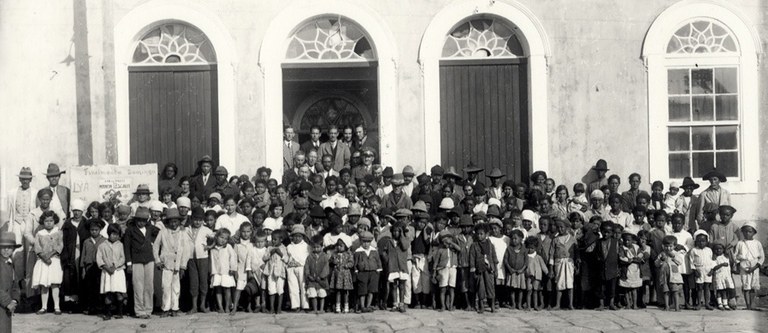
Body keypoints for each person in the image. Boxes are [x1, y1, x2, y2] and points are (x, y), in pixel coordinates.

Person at [123, 207, 160, 319]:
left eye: (144, 220)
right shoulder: (130, 230)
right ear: (135, 219)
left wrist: (152, 242)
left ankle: (148, 309)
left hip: (149, 259)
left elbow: (160, 232)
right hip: (136, 260)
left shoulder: (150, 228)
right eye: (139, 220)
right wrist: (129, 263)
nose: (141, 222)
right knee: (138, 286)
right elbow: (126, 247)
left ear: (147, 220)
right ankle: (139, 311)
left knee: (149, 286)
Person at [153, 209, 188, 317]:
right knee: (165, 287)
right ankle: (165, 308)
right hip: (166, 264)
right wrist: (158, 261)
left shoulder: (183, 233)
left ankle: (175, 308)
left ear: (179, 222)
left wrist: (183, 266)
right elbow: (155, 247)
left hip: (177, 264)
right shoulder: (163, 232)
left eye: (176, 221)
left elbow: (186, 250)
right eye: (171, 222)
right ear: (167, 222)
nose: (173, 224)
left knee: (176, 287)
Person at [32, 211, 63, 315]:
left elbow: (60, 245)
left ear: (55, 221)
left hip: (54, 261)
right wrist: (44, 257)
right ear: (43, 222)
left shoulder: (58, 232)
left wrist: (50, 255)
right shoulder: (39, 233)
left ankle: (57, 307)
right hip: (43, 261)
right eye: (46, 221)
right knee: (44, 284)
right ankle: (43, 307)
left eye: (51, 221)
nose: (49, 223)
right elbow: (37, 247)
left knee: (55, 284)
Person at [184, 207, 214, 313]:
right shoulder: (186, 229)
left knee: (203, 281)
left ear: (203, 220)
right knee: (193, 281)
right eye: (195, 219)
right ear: (191, 218)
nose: (197, 222)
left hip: (203, 258)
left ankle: (202, 305)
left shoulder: (206, 230)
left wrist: (209, 247)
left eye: (200, 220)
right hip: (191, 259)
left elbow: (216, 237)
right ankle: (194, 306)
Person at [97, 224, 127, 320]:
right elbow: (99, 259)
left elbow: (122, 258)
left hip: (118, 271)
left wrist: (115, 266)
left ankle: (120, 312)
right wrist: (106, 267)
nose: (115, 236)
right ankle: (108, 313)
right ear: (108, 234)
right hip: (106, 272)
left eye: (117, 234)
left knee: (118, 292)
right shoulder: (102, 245)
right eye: (113, 234)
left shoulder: (120, 245)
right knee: (108, 292)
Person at [379, 222, 409, 313]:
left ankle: (402, 304)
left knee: (402, 286)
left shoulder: (405, 240)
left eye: (398, 231)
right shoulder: (389, 241)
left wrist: (402, 236)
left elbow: (405, 247)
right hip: (393, 266)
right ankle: (395, 304)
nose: (396, 233)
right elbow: (384, 252)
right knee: (394, 285)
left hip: (402, 266)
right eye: (394, 231)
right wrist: (387, 259)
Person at [733, 221, 763, 310]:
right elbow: (735, 255)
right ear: (742, 232)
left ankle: (752, 304)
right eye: (745, 231)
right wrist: (740, 265)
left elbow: (762, 257)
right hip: (744, 266)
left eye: (750, 231)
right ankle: (748, 305)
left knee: (753, 286)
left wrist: (755, 267)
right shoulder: (740, 243)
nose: (747, 233)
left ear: (754, 232)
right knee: (746, 286)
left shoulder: (757, 243)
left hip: (754, 266)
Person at [470, 223, 497, 313]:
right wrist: (473, 269)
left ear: (486, 234)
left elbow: (494, 257)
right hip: (479, 269)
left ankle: (492, 306)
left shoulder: (490, 245)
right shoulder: (474, 245)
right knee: (480, 287)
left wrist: (495, 269)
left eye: (481, 234)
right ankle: (481, 306)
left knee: (490, 287)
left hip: (489, 269)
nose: (479, 236)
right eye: (478, 234)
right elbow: (472, 257)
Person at [353, 230, 381, 313]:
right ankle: (362, 306)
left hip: (373, 272)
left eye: (368, 242)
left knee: (371, 290)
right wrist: (356, 271)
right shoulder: (358, 251)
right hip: (362, 273)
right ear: (361, 241)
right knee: (362, 290)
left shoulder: (374, 251)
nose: (366, 244)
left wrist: (378, 270)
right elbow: (355, 263)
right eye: (364, 242)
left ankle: (368, 305)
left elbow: (378, 261)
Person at [210, 229, 236, 313]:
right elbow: (212, 261)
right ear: (216, 237)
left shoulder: (228, 247)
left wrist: (232, 268)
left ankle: (227, 306)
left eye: (225, 238)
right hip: (217, 272)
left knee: (227, 289)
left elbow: (233, 257)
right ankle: (220, 307)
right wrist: (212, 273)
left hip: (226, 271)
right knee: (218, 289)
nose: (223, 240)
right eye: (221, 237)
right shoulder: (213, 248)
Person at [655, 236, 684, 311]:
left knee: (675, 291)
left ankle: (676, 306)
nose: (668, 248)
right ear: (663, 246)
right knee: (666, 291)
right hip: (664, 276)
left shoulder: (676, 253)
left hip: (674, 276)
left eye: (670, 246)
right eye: (666, 246)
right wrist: (661, 260)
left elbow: (680, 262)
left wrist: (674, 257)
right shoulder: (662, 254)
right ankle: (667, 306)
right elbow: (656, 264)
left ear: (674, 246)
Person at [286, 225, 310, 312]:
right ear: (292, 236)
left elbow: (307, 257)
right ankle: (295, 305)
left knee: (303, 286)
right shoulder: (289, 246)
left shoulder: (306, 246)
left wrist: (299, 262)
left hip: (301, 268)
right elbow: (287, 257)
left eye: (299, 236)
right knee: (293, 287)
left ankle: (305, 305)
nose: (297, 238)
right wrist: (290, 262)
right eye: (295, 236)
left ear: (302, 237)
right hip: (291, 268)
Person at [0, 232, 21, 332]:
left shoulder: (10, 263)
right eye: (3, 247)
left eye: (9, 247)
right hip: (4, 303)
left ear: (13, 249)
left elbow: (15, 285)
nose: (6, 250)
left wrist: (14, 300)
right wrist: (8, 302)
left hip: (7, 308)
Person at [688, 230, 714, 310]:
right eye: (699, 241)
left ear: (707, 241)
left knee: (707, 288)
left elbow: (712, 261)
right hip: (699, 270)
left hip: (707, 270)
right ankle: (699, 303)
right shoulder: (694, 250)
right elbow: (691, 261)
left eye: (703, 241)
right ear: (696, 241)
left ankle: (707, 303)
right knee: (699, 288)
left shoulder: (709, 250)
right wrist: (695, 270)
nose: (701, 243)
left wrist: (712, 270)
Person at [596, 222, 619, 310]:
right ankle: (601, 304)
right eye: (604, 232)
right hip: (601, 268)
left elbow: (618, 255)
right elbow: (595, 253)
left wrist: (618, 267)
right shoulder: (598, 242)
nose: (606, 234)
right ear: (601, 231)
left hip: (612, 268)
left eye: (608, 232)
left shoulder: (615, 242)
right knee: (601, 287)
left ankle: (611, 303)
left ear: (612, 233)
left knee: (612, 287)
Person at [232, 222, 253, 315]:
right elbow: (234, 259)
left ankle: (249, 306)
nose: (245, 234)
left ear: (251, 232)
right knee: (239, 288)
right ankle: (234, 307)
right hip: (241, 270)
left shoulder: (252, 244)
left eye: (248, 231)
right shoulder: (237, 245)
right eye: (243, 231)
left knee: (250, 289)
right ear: (240, 232)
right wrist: (235, 271)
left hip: (251, 270)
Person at [263, 230, 287, 314]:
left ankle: (279, 308)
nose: (273, 241)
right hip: (271, 272)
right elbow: (264, 258)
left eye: (275, 239)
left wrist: (280, 254)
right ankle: (272, 308)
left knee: (280, 289)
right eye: (272, 239)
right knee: (271, 289)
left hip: (280, 272)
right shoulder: (269, 248)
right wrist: (270, 253)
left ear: (281, 239)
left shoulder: (283, 248)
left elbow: (287, 260)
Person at [246, 230, 268, 313]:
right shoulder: (252, 250)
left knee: (263, 289)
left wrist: (265, 265)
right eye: (258, 242)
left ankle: (264, 304)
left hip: (263, 272)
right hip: (254, 272)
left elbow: (268, 260)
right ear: (255, 241)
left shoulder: (266, 250)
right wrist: (249, 271)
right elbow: (248, 260)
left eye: (262, 242)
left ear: (265, 242)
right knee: (256, 289)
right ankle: (257, 304)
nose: (259, 244)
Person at [618, 231, 642, 309]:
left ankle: (634, 304)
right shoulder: (622, 248)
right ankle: (628, 304)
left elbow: (640, 255)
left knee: (634, 288)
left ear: (632, 240)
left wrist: (633, 259)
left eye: (629, 240)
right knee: (626, 288)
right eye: (625, 240)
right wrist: (631, 260)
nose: (627, 242)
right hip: (626, 270)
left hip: (635, 270)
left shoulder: (636, 247)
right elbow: (622, 258)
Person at [503, 229, 525, 310]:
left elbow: (526, 262)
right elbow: (505, 260)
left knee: (520, 289)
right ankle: (513, 304)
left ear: (521, 239)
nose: (514, 240)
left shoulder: (524, 249)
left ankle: (519, 304)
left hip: (520, 273)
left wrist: (522, 269)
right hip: (511, 272)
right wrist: (510, 268)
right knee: (512, 289)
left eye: (516, 238)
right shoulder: (509, 249)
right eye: (512, 239)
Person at [709, 241, 735, 310]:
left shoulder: (726, 256)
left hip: (726, 276)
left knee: (725, 290)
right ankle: (720, 303)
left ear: (723, 249)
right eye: (716, 249)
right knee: (719, 290)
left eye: (720, 249)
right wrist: (722, 264)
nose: (718, 250)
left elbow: (729, 256)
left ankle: (725, 303)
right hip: (719, 277)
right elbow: (714, 268)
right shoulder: (714, 258)